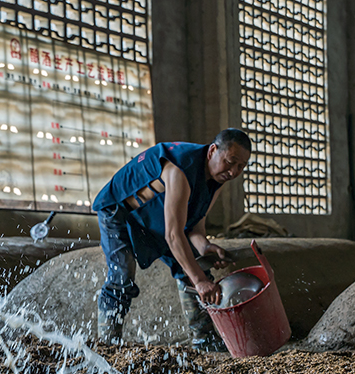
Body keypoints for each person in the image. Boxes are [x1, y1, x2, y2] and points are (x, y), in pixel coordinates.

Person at [92, 129, 252, 349]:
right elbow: (174, 235)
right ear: (212, 151)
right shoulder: (180, 169)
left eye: (241, 167)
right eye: (230, 162)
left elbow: (194, 228)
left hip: (155, 215)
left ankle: (204, 338)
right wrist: (199, 282)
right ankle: (108, 344)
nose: (234, 172)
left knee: (198, 266)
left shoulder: (217, 178)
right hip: (120, 212)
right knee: (122, 274)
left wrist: (205, 247)